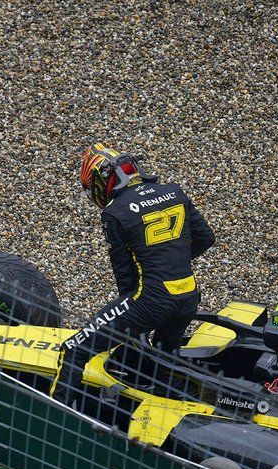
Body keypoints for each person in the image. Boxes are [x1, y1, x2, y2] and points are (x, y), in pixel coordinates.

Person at [50, 143, 215, 407]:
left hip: (151, 301)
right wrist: (169, 262)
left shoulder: (115, 213)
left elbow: (125, 279)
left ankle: (54, 415)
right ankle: (177, 407)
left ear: (100, 183)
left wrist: (134, 318)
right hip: (187, 298)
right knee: (164, 358)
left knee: (74, 349)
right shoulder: (174, 192)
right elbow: (206, 238)